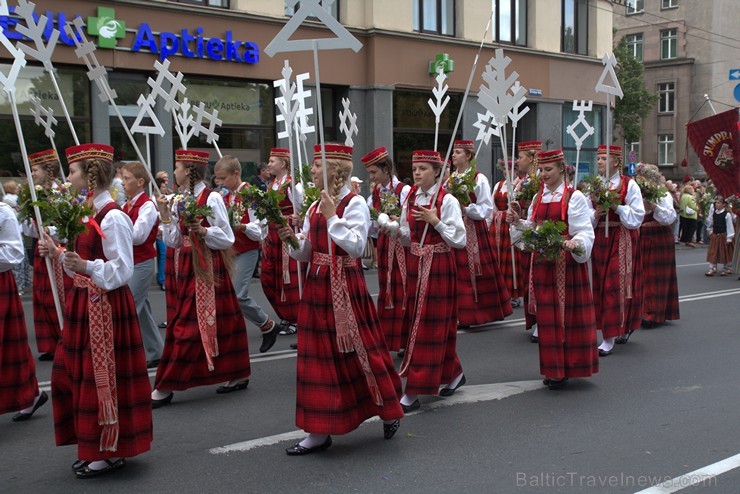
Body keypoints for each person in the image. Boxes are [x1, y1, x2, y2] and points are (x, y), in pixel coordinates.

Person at [278, 143, 404, 455]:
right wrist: (291, 240)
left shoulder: (355, 203)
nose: (313, 171)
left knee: (363, 351)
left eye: (318, 166)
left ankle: (388, 407)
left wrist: (332, 216)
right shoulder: (312, 206)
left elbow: (356, 247)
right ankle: (319, 430)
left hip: (346, 285)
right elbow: (306, 252)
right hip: (318, 285)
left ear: (335, 169)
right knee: (318, 358)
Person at [44, 143, 152, 478]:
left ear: (89, 175)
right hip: (83, 303)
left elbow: (122, 270)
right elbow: (79, 265)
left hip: (104, 306)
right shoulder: (84, 213)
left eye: (73, 170)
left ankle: (108, 449)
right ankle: (93, 441)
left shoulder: (114, 217)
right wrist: (59, 254)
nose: (68, 175)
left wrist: (86, 266)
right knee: (69, 372)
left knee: (101, 379)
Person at [152, 149, 251, 407]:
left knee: (189, 326)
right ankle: (236, 371)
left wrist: (204, 231)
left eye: (177, 167)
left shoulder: (212, 199)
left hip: (206, 263)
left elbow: (227, 238)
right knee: (211, 321)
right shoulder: (178, 199)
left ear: (187, 171)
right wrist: (165, 216)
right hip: (185, 264)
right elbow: (174, 240)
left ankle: (167, 384)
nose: (173, 172)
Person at [508, 149, 598, 389]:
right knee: (547, 319)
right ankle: (553, 367)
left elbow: (584, 231)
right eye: (541, 170)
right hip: (543, 263)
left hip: (565, 265)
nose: (543, 174)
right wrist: (518, 223)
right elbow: (532, 227)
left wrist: (574, 243)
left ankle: (567, 366)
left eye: (548, 170)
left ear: (561, 168)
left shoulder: (573, 196)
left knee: (566, 317)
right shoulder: (538, 197)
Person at [395, 150, 466, 412]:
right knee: (422, 322)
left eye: (423, 168)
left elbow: (459, 240)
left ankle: (413, 390)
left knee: (427, 327)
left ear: (437, 172)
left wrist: (435, 221)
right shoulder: (412, 197)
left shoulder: (447, 200)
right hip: (416, 264)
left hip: (438, 267)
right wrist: (393, 229)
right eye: (415, 168)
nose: (416, 173)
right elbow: (407, 235)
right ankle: (454, 373)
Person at [213, 155, 280, 353]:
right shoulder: (226, 196)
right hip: (230, 251)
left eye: (223, 178)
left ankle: (267, 324)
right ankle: (230, 335)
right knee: (226, 295)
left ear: (236, 174)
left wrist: (241, 226)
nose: (220, 182)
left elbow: (260, 228)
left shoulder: (249, 194)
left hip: (247, 249)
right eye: (218, 178)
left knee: (238, 294)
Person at [449, 140, 512, 328]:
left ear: (468, 156)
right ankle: (460, 312)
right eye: (453, 152)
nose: (453, 155)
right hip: (456, 227)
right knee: (458, 271)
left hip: (473, 229)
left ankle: (479, 312)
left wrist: (466, 208)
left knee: (476, 270)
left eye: (458, 152)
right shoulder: (451, 178)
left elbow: (485, 208)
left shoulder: (479, 178)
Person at [589, 145, 644, 357]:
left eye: (604, 158)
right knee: (601, 286)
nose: (600, 162)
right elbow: (586, 216)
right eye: (598, 158)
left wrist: (616, 207)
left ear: (616, 161)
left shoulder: (629, 185)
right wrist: (596, 213)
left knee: (614, 285)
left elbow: (637, 216)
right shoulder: (594, 186)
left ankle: (609, 337)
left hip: (621, 237)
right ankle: (618, 326)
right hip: (600, 239)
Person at [1, 200, 48, 422]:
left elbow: (14, 254)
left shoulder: (3, 212)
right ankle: (32, 394)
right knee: (12, 347)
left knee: (10, 345)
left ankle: (31, 394)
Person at [362, 146, 411, 353]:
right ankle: (390, 339)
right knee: (387, 288)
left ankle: (407, 339)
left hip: (401, 245)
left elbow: (409, 219)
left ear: (386, 169)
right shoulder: (375, 191)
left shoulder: (404, 190)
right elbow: (372, 223)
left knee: (403, 290)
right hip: (384, 244)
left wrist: (396, 222)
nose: (372, 177)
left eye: (374, 172)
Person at [23, 149, 69, 361]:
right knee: (41, 296)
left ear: (46, 171)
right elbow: (25, 228)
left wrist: (48, 231)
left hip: (57, 251)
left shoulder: (61, 194)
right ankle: (50, 343)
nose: (32, 174)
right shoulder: (34, 195)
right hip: (42, 250)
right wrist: (35, 225)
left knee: (58, 297)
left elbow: (66, 225)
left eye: (35, 170)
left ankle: (64, 337)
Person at [120, 162, 165, 368]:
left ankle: (124, 356)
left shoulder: (147, 205)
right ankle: (156, 351)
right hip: (131, 262)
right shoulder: (126, 205)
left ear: (140, 182)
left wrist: (118, 229)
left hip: (142, 262)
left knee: (129, 309)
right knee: (142, 309)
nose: (122, 182)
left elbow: (138, 236)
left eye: (126, 178)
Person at [261, 148, 303, 335]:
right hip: (273, 235)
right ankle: (284, 314)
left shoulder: (292, 184)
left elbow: (305, 209)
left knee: (289, 276)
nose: (268, 164)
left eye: (272, 161)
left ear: (283, 164)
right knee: (271, 276)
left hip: (286, 233)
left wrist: (297, 217)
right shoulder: (272, 185)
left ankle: (295, 318)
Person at [638, 164, 680, 328]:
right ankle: (643, 310)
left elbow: (669, 217)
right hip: (643, 236)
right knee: (642, 276)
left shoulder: (662, 194)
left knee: (656, 277)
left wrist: (654, 207)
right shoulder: (640, 193)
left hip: (659, 237)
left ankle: (653, 313)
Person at [705, 196, 735, 277]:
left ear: (724, 204)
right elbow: (711, 222)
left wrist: (729, 237)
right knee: (713, 252)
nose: (716, 205)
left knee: (724, 252)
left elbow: (729, 226)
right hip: (715, 235)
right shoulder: (714, 213)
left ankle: (726, 267)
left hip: (723, 235)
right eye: (716, 203)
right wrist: (710, 230)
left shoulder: (727, 214)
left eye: (718, 203)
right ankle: (712, 267)